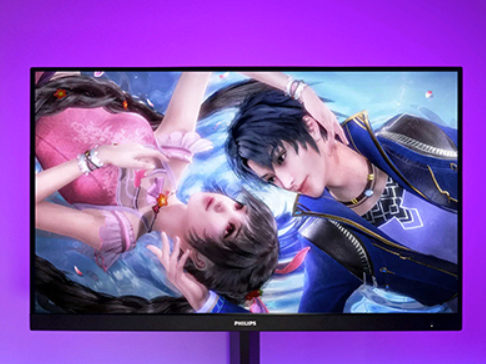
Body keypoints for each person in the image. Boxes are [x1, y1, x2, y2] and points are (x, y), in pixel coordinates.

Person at [192, 83, 460, 313]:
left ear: (310, 126)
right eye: (271, 179)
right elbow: (307, 329)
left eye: (281, 158)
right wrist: (207, 304)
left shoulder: (406, 134)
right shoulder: (328, 240)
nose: (286, 183)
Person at [34, 72, 278, 309]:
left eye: (229, 229)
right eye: (238, 207)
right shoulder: (176, 156)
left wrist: (97, 158)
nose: (225, 206)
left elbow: (22, 206)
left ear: (200, 260)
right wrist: (292, 88)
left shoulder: (119, 230)